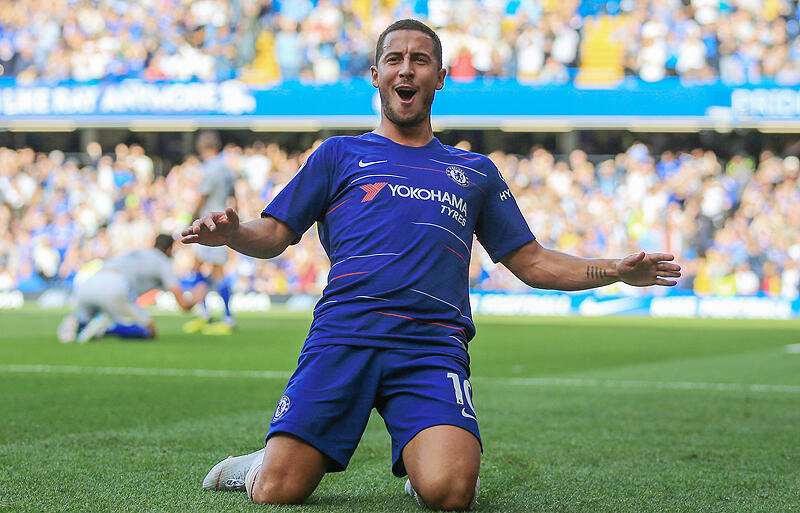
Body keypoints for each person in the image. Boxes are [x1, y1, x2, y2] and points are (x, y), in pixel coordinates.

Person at [182, 19, 681, 510]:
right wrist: (234, 234)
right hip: (344, 335)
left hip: (430, 346)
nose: (406, 69)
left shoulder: (475, 172)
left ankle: (428, 470)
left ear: (439, 77)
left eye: (419, 60)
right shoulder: (338, 155)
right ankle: (258, 464)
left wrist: (614, 270)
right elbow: (273, 235)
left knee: (450, 493)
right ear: (376, 75)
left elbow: (533, 262)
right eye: (394, 59)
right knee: (278, 490)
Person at [57, 234, 205, 343]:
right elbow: (183, 304)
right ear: (169, 250)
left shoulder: (137, 252)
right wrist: (197, 297)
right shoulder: (163, 262)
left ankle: (77, 321)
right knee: (149, 331)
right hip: (114, 285)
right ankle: (106, 329)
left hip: (90, 282)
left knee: (88, 314)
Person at [182, 130, 238, 336]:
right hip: (222, 220)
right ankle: (204, 313)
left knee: (216, 270)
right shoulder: (227, 170)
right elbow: (234, 197)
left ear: (201, 148)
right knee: (198, 266)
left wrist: (191, 220)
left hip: (209, 223)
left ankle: (227, 318)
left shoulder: (210, 169)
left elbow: (203, 197)